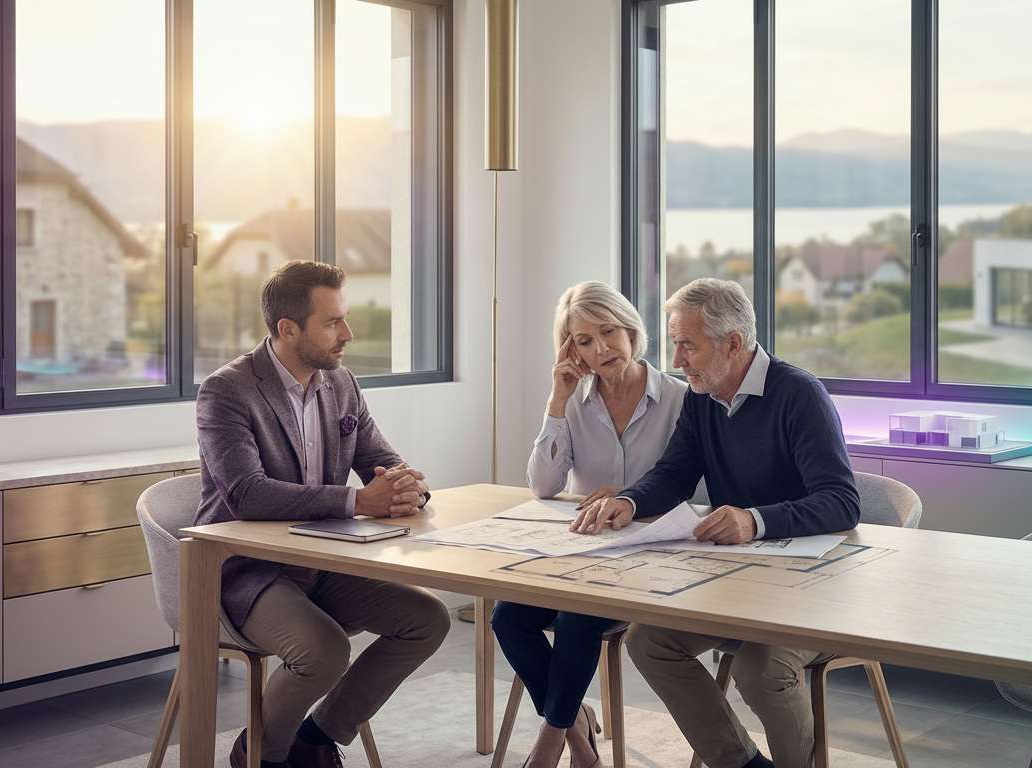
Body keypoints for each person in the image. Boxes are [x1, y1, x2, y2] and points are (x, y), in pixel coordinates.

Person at [571, 277, 860, 768]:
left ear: (732, 343)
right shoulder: (701, 398)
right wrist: (630, 501)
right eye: (675, 342)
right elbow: (674, 473)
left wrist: (755, 520)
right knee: (649, 641)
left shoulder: (799, 394)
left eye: (688, 344)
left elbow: (842, 502)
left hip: (812, 589)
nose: (677, 359)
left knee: (759, 668)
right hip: (737, 582)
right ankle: (742, 764)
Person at [195, 260, 450, 768]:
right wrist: (358, 501)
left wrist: (406, 487)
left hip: (321, 560)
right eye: (333, 323)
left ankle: (316, 735)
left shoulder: (341, 385)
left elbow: (381, 459)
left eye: (345, 319)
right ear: (288, 329)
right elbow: (248, 494)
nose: (348, 334)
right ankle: (261, 754)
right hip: (247, 570)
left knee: (427, 619)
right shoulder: (227, 390)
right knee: (325, 650)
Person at [493, 281, 690, 768]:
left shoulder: (681, 400)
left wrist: (632, 499)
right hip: (583, 552)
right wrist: (558, 399)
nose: (600, 348)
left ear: (631, 330)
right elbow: (542, 485)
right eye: (583, 340)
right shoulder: (576, 401)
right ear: (571, 350)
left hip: (654, 557)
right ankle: (577, 732)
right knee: (507, 616)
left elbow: (698, 489)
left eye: (608, 332)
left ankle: (549, 744)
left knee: (579, 611)